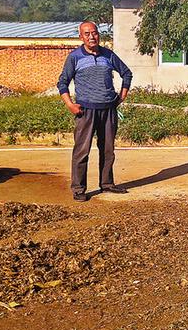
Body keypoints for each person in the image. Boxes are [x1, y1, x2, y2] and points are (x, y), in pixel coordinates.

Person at [57, 21, 133, 202]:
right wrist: (70, 105)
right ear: (81, 37)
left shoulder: (108, 55)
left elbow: (127, 73)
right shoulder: (74, 57)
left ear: (99, 35)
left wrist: (121, 96)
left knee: (108, 150)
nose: (92, 37)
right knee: (81, 152)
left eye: (95, 33)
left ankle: (107, 183)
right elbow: (62, 83)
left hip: (108, 110)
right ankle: (78, 189)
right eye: (87, 34)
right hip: (85, 111)